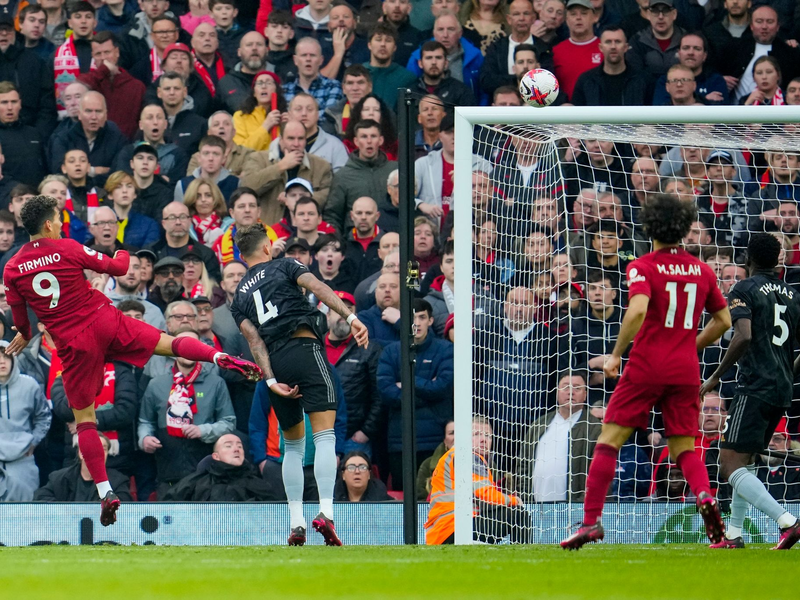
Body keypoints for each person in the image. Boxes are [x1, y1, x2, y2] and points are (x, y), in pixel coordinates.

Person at [2, 196, 262, 524]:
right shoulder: (66, 247)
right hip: (103, 320)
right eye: (59, 220)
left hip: (73, 344)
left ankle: (105, 490)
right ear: (50, 224)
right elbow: (120, 267)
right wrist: (124, 252)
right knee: (169, 344)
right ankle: (218, 355)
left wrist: (24, 334)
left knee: (85, 421)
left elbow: (20, 321)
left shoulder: (11, 268)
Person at [560, 194, 732, 550]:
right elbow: (724, 321)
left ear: (649, 226)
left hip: (647, 364)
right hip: (686, 369)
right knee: (684, 446)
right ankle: (703, 496)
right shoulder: (703, 270)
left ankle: (591, 522)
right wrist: (690, 346)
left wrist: (615, 354)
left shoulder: (643, 265)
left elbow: (637, 310)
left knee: (608, 441)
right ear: (684, 228)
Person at [230, 223, 369, 546]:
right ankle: (326, 512)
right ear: (266, 248)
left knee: (291, 445)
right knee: (324, 437)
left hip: (276, 364)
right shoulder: (286, 265)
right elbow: (318, 287)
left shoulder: (238, 296)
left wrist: (270, 380)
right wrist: (350, 318)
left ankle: (296, 524)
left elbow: (253, 340)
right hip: (304, 348)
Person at [699, 233, 800, 550]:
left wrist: (715, 377)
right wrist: (785, 374)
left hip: (755, 385)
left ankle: (789, 523)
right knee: (748, 458)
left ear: (748, 258)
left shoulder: (744, 289)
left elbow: (742, 336)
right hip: (781, 387)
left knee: (728, 463)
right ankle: (734, 534)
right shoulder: (793, 295)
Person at [138, 329, 238, 497]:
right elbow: (145, 421)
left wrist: (203, 430)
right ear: (172, 350)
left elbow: (229, 422)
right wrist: (144, 439)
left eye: (193, 345)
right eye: (182, 345)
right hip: (167, 471)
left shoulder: (216, 383)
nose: (187, 351)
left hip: (206, 474)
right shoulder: (156, 384)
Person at [378, 298, 454, 491]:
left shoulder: (446, 350)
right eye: (412, 318)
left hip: (435, 440)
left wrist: (407, 383)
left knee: (436, 493)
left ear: (430, 320)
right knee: (402, 494)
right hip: (400, 440)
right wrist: (428, 388)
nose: (417, 323)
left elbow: (443, 388)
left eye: (422, 317)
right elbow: (386, 392)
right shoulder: (390, 352)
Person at [426, 416, 531, 544]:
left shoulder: (452, 456)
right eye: (476, 434)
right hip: (454, 528)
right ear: (464, 437)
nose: (483, 440)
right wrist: (514, 500)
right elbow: (486, 496)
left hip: (442, 532)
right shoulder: (469, 456)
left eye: (488, 436)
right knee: (518, 514)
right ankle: (521, 561)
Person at [513, 372, 601, 502]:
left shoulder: (595, 429)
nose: (570, 392)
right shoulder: (539, 424)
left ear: (585, 394)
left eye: (577, 388)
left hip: (575, 513)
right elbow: (523, 464)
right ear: (557, 392)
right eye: (565, 387)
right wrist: (525, 497)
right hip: (536, 508)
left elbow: (599, 476)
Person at [240, 120, 333, 226]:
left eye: (301, 139)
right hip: (267, 232)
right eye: (291, 138)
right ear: (281, 140)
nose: (296, 144)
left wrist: (295, 199)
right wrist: (281, 166)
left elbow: (326, 197)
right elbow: (248, 187)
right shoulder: (258, 159)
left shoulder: (321, 166)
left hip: (305, 232)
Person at [324, 290, 383, 457]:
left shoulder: (369, 349)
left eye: (349, 310)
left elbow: (378, 394)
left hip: (354, 438)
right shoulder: (314, 347)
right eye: (338, 309)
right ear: (328, 315)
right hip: (318, 435)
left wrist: (365, 431)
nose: (344, 314)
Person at [323, 120, 398, 233]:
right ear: (356, 141)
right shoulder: (343, 176)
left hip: (392, 239)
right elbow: (332, 215)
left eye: (373, 136)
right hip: (355, 242)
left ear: (381, 140)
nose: (369, 141)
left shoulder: (395, 170)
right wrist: (338, 242)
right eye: (364, 136)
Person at [0, 341, 51, 501]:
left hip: (22, 458)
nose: (2, 361)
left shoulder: (29, 385)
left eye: (6, 356)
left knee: (24, 513)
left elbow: (44, 416)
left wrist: (33, 441)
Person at [160, 432, 280, 500]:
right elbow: (170, 505)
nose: (236, 449)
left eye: (239, 446)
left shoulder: (258, 485)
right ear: (216, 456)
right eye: (228, 446)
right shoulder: (195, 482)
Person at [79, 31, 147, 140]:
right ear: (92, 56)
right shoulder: (91, 82)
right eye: (98, 54)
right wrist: (104, 70)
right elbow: (78, 87)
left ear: (117, 52)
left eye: (107, 52)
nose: (103, 58)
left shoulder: (136, 87)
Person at [0, 13, 58, 140]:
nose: (4, 33)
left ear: (15, 32)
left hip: (29, 136)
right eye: (0, 30)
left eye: (8, 30)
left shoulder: (34, 62)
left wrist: (36, 136)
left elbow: (47, 106)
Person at [33, 432, 132, 502]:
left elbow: (123, 507)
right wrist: (65, 511)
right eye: (94, 447)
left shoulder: (118, 481)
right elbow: (41, 498)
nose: (99, 452)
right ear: (81, 453)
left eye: (104, 449)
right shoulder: (59, 478)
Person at [571, 25, 649, 106]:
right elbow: (576, 115)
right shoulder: (586, 81)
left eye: (618, 41)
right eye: (608, 42)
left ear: (626, 47)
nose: (613, 46)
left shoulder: (643, 80)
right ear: (600, 48)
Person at [151, 201, 222, 281]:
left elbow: (214, 286)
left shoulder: (205, 254)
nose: (178, 222)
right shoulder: (152, 252)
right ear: (163, 223)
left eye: (183, 217)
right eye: (172, 218)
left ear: (190, 221)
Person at [652, 32, 727, 106]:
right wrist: (704, 100)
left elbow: (722, 113)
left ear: (704, 56)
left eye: (697, 49)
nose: (691, 53)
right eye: (686, 48)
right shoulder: (665, 80)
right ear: (679, 53)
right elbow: (662, 111)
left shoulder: (716, 81)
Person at [552, 0, 601, 100]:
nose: (578, 18)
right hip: (567, 113)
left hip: (599, 112)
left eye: (584, 13)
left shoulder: (605, 49)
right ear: (567, 19)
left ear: (595, 17)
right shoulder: (556, 52)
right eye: (573, 14)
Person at [0, 83, 47, 188]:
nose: (10, 107)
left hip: (37, 196)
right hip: (6, 198)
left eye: (14, 102)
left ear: (20, 104)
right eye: (4, 102)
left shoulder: (34, 133)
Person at [282, 37, 343, 117]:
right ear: (295, 60)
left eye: (312, 55)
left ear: (321, 60)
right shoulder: (284, 91)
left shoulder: (333, 86)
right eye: (304, 55)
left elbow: (328, 119)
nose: (308, 59)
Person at [364, 22, 417, 112]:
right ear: (369, 45)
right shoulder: (359, 74)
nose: (383, 44)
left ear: (394, 47)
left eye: (388, 40)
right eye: (378, 39)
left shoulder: (407, 78)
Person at [625, 0, 682, 80]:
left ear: (674, 14)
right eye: (655, 11)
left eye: (665, 11)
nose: (660, 16)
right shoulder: (637, 42)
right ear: (648, 15)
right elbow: (634, 78)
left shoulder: (686, 41)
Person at [232, 70, 286, 151]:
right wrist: (265, 126)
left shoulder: (285, 116)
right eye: (259, 83)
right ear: (254, 93)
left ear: (277, 90)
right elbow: (241, 151)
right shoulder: (240, 116)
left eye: (269, 83)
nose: (264, 86)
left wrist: (287, 126)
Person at [175, 135, 239, 203]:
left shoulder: (236, 184)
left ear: (223, 159)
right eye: (206, 153)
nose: (210, 158)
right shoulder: (183, 185)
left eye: (216, 154)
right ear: (199, 158)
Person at [215, 31, 268, 114]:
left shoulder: (277, 78)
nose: (254, 48)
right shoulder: (226, 83)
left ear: (266, 50)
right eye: (249, 45)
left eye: (259, 44)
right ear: (239, 52)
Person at [412, 40, 476, 106]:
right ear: (420, 63)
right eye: (429, 58)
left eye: (438, 58)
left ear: (446, 63)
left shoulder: (461, 92)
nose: (434, 62)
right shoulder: (411, 92)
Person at [342, 94, 398, 160]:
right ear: (359, 114)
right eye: (366, 109)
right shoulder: (347, 145)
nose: (371, 113)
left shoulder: (394, 145)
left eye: (376, 110)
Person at [184, 177, 227, 246]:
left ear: (215, 198)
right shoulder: (185, 226)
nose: (203, 200)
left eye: (208, 195)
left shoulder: (228, 225)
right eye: (198, 196)